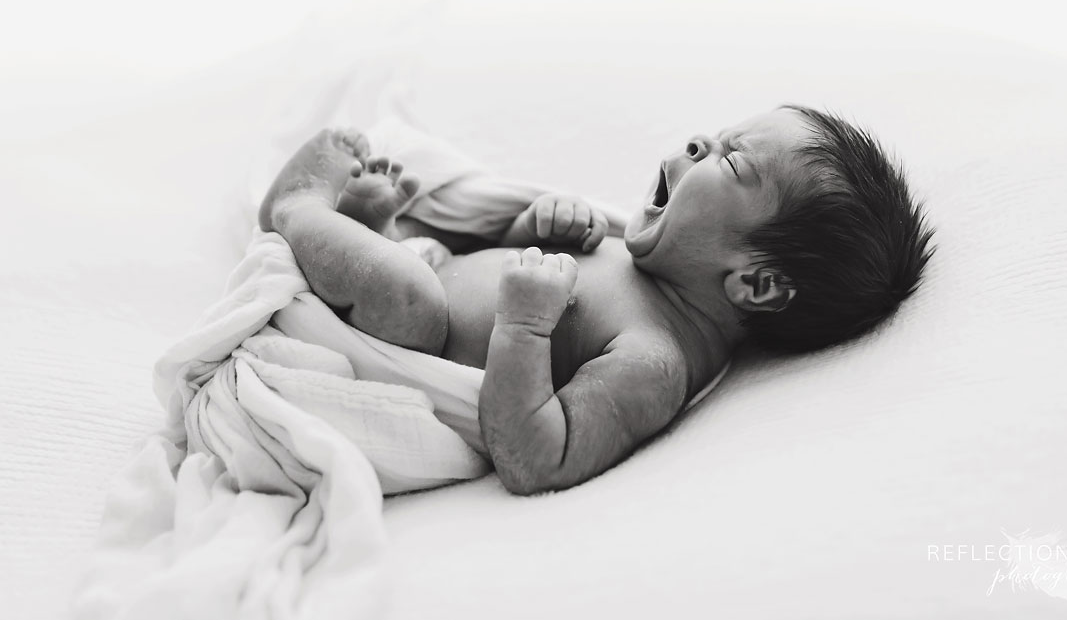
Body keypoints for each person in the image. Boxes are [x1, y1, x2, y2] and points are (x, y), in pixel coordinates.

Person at [258, 105, 934, 494]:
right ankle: (370, 236)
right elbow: (503, 255)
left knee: (410, 298)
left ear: (754, 282)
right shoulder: (633, 253)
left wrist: (525, 322)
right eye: (720, 134)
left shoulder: (655, 360)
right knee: (409, 277)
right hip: (426, 267)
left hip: (402, 337)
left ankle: (297, 208)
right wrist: (535, 230)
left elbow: (535, 457)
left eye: (730, 161)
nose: (700, 141)